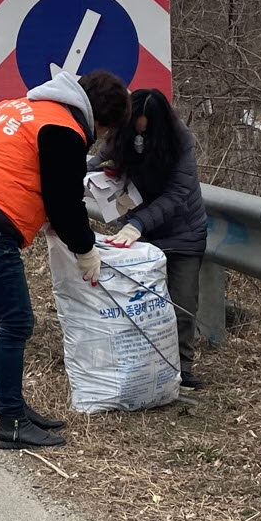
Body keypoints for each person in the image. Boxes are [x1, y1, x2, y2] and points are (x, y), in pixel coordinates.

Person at [0, 69, 130, 450]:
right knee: (16, 322)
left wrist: (44, 216)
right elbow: (65, 202)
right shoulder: (64, 128)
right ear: (101, 118)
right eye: (108, 129)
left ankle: (12, 408)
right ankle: (11, 422)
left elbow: (22, 171)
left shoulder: (24, 107)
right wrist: (86, 250)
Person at [95, 88, 208, 390]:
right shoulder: (121, 133)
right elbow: (96, 161)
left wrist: (137, 224)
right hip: (140, 231)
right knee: (141, 306)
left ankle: (182, 369)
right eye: (135, 127)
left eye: (145, 128)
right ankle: (143, 368)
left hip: (182, 232)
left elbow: (177, 195)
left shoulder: (180, 139)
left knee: (182, 305)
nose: (140, 133)